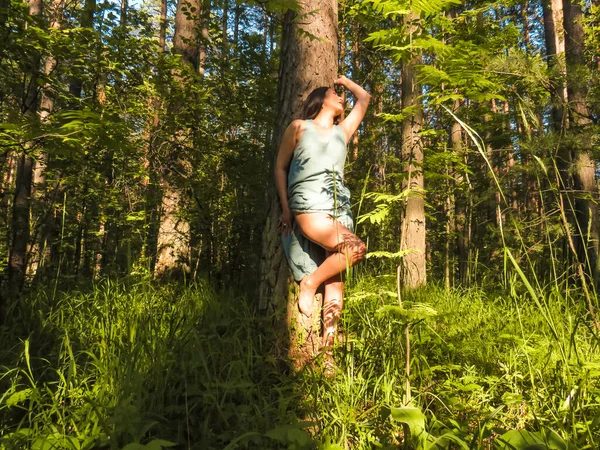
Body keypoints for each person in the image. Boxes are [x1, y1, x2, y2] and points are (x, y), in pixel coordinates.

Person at [275, 75, 371, 349]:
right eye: (334, 93)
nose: (341, 97)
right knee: (356, 250)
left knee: (336, 285)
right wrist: (285, 207)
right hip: (309, 204)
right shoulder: (299, 127)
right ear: (319, 101)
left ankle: (328, 352)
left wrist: (344, 81)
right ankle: (309, 282)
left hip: (340, 207)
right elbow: (280, 167)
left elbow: (364, 98)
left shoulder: (343, 131)